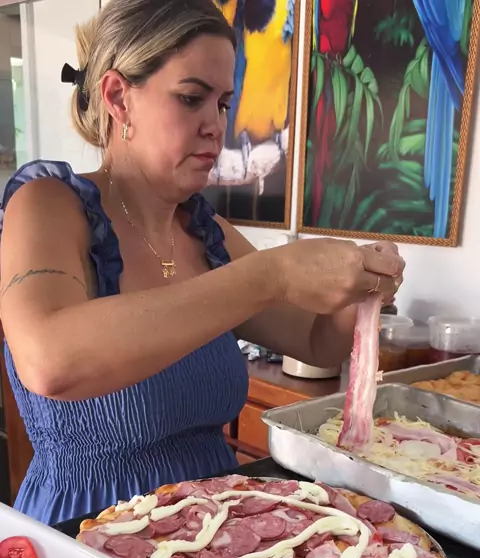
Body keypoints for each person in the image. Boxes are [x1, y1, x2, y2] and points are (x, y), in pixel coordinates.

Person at [0, 0, 404, 526]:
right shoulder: (47, 205)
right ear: (118, 97)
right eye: (192, 98)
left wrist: (359, 288)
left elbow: (315, 341)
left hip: (219, 530)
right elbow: (50, 361)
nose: (216, 126)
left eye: (223, 103)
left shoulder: (206, 233)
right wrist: (273, 273)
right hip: (90, 527)